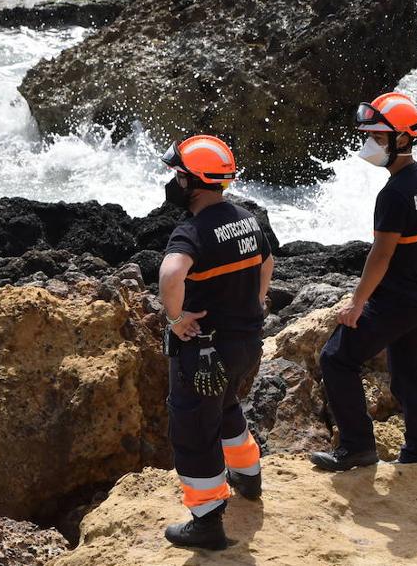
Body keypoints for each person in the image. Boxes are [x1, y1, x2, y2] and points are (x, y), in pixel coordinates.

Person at [310, 92, 417, 472]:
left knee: (335, 358)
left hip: (397, 301)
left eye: (378, 137)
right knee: (409, 374)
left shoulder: (394, 194)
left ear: (403, 139)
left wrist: (355, 305)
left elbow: (381, 255)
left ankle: (356, 447)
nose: (370, 144)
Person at [158, 135, 275, 550]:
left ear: (195, 182)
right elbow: (267, 260)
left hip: (205, 351)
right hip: (246, 344)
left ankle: (206, 521)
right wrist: (257, 302)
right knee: (225, 408)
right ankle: (248, 475)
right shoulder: (244, 218)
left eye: (178, 175)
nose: (173, 181)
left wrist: (175, 319)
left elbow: (171, 275)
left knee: (193, 427)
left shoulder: (192, 230)